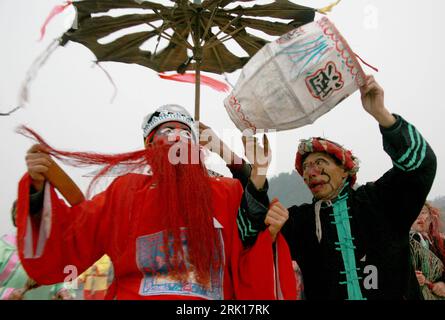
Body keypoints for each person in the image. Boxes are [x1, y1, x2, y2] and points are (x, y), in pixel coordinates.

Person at [14, 104, 296, 300]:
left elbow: (250, 233)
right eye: (163, 134)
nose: (174, 139)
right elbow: (74, 233)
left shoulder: (226, 191)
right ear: (148, 148)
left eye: (184, 134)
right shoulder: (124, 192)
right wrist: (38, 192)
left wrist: (253, 172)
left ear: (197, 147)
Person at [235, 75, 437, 299]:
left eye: (320, 163)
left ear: (345, 170)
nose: (311, 172)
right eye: (307, 168)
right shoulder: (300, 221)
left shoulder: (381, 201)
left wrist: (381, 114)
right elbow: (248, 234)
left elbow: (420, 165)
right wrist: (259, 172)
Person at [0, 233, 74, 300]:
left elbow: (63, 282)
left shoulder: (55, 251)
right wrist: (6, 294)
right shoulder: (4, 247)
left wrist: (63, 292)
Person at [410, 202, 445, 299]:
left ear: (430, 217)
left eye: (423, 212)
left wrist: (443, 283)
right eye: (415, 212)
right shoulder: (404, 244)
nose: (419, 216)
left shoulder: (441, 242)